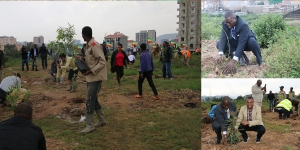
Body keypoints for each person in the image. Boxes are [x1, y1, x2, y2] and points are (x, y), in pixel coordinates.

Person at [80, 26, 107, 133]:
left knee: (89, 100)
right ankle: (102, 120)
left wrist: (91, 70)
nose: (81, 36)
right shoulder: (88, 46)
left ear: (84, 34)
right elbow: (91, 60)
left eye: (82, 34)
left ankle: (90, 125)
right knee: (94, 99)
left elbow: (102, 61)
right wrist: (82, 59)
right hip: (90, 77)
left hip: (95, 77)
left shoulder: (94, 45)